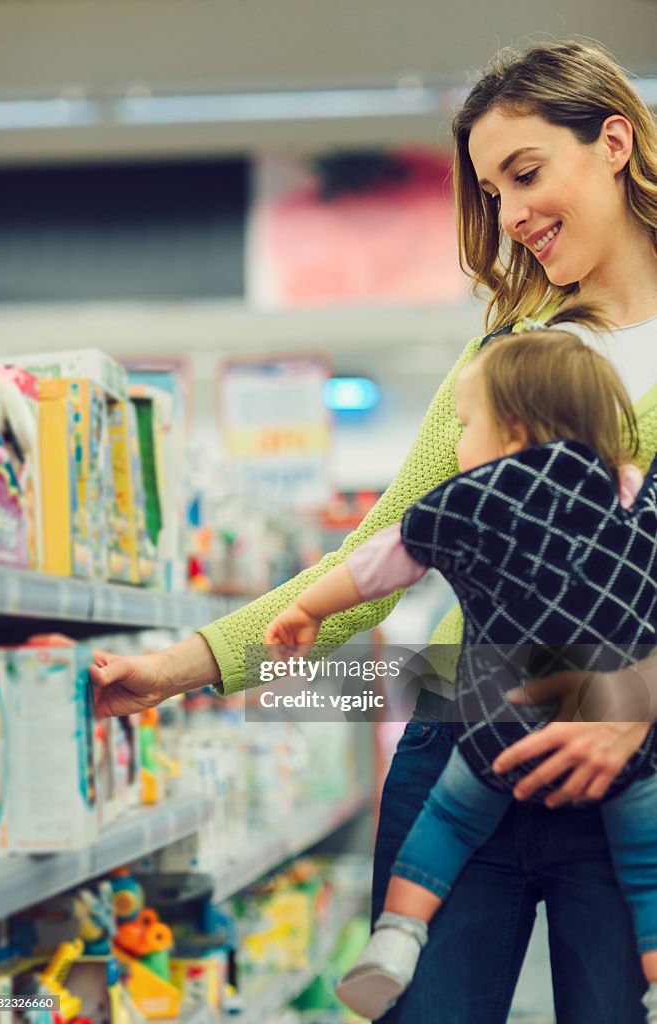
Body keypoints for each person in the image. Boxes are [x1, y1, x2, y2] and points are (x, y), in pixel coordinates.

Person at [91, 41, 657, 1022]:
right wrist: (178, 666)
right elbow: (381, 556)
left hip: (629, 772)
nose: (510, 214)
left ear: (613, 142)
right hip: (456, 738)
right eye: (490, 191)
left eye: (525, 172)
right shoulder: (504, 358)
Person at [263, 322, 657, 1022]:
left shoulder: (475, 498)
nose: (455, 443)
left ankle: (396, 937)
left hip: (489, 719)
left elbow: (376, 563)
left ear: (510, 433)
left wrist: (306, 610)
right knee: (649, 865)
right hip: (620, 739)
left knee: (445, 821)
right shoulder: (632, 493)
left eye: (465, 425)